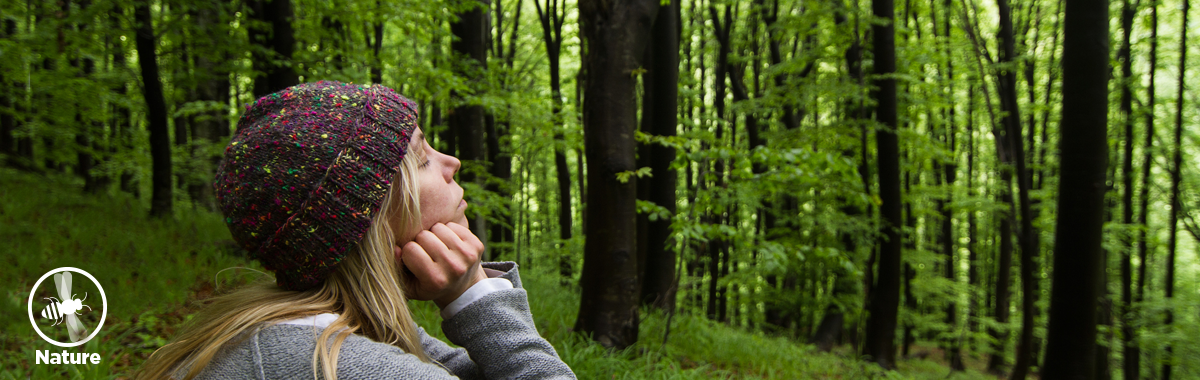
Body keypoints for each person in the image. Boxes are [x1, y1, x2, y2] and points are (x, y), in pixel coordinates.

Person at [137, 81, 575, 380]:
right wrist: (474, 301)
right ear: (367, 220)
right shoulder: (343, 364)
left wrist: (472, 291)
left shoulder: (321, 333)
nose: (451, 162)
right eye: (421, 159)